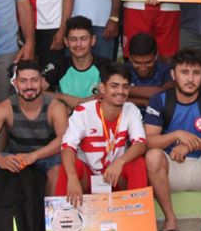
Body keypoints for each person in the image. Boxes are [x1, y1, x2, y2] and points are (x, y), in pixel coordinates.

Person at [143, 48, 201, 231]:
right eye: (184, 72)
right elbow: (149, 141)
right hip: (172, 170)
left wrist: (190, 145)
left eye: (196, 73)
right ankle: (170, 220)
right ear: (173, 74)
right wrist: (176, 135)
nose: (190, 79)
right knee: (152, 156)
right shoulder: (160, 100)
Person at [57, 63, 148, 199]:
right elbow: (67, 146)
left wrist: (120, 162)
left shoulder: (131, 109)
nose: (120, 91)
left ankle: (138, 209)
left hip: (115, 175)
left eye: (125, 87)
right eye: (114, 86)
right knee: (70, 167)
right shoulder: (83, 111)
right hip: (89, 177)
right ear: (102, 88)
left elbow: (140, 144)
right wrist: (72, 177)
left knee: (137, 162)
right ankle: (63, 211)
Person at [0, 59, 60, 198]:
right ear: (15, 83)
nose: (29, 86)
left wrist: (34, 156)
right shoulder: (4, 108)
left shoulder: (55, 107)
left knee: (59, 162)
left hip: (45, 157)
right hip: (16, 159)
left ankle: (50, 210)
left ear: (42, 82)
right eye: (23, 81)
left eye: (34, 80)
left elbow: (64, 140)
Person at [125, 32, 172, 113]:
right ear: (130, 57)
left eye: (148, 62)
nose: (142, 68)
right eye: (137, 63)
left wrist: (125, 89)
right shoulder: (123, 70)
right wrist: (142, 102)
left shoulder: (166, 70)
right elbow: (112, 97)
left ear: (156, 56)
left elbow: (167, 93)